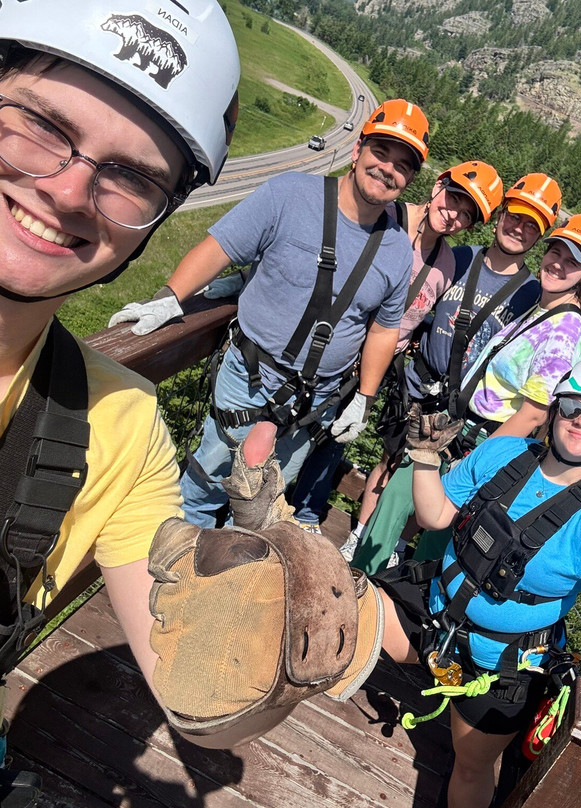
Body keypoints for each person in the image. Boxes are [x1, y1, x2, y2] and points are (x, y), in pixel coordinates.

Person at [0, 0, 240, 805]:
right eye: (42, 125)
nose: (72, 189)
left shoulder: (117, 425)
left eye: (130, 177)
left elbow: (193, 687)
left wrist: (276, 632)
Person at [376, 356, 581, 808]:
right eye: (574, 405)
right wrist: (424, 459)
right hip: (432, 611)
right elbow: (435, 515)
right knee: (340, 616)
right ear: (555, 409)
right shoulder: (504, 453)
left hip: (500, 663)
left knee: (470, 766)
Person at [110, 100, 428, 526]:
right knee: (206, 486)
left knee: (262, 507)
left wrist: (363, 401)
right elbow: (221, 247)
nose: (388, 169)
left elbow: (383, 331)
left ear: (408, 181)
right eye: (381, 153)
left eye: (402, 166)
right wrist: (170, 297)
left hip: (316, 401)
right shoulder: (291, 196)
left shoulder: (394, 252)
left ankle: (225, 586)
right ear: (358, 151)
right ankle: (175, 576)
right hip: (250, 375)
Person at [347, 174, 562, 570]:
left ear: (539, 236)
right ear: (499, 217)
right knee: (392, 463)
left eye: (532, 225)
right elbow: (418, 304)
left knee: (438, 488)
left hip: (469, 411)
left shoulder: (533, 295)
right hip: (422, 387)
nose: (519, 228)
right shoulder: (459, 258)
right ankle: (362, 545)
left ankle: (397, 557)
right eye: (515, 217)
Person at [290, 160, 505, 534]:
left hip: (373, 370)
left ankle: (305, 513)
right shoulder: (384, 216)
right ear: (439, 185)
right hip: (327, 351)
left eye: (467, 216)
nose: (454, 216)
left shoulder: (447, 264)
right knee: (292, 431)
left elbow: (423, 316)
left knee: (335, 441)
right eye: (454, 199)